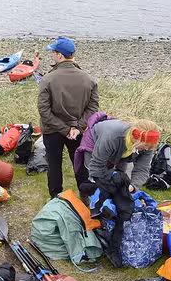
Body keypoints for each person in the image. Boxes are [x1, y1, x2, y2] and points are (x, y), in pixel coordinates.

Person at [84, 118, 161, 266]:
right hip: (95, 144)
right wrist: (107, 186)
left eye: (150, 147)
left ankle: (107, 219)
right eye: (145, 146)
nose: (148, 149)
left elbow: (142, 170)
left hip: (124, 152)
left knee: (119, 178)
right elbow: (96, 167)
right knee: (94, 184)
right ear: (135, 138)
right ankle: (90, 212)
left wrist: (132, 186)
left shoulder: (147, 146)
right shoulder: (112, 136)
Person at [37, 36, 99, 198]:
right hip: (78, 132)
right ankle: (86, 199)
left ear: (60, 55)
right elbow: (93, 108)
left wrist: (64, 129)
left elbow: (44, 110)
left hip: (52, 130)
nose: (52, 55)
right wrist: (77, 128)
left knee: (54, 166)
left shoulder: (47, 79)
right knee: (80, 165)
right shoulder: (89, 80)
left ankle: (56, 199)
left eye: (53, 52)